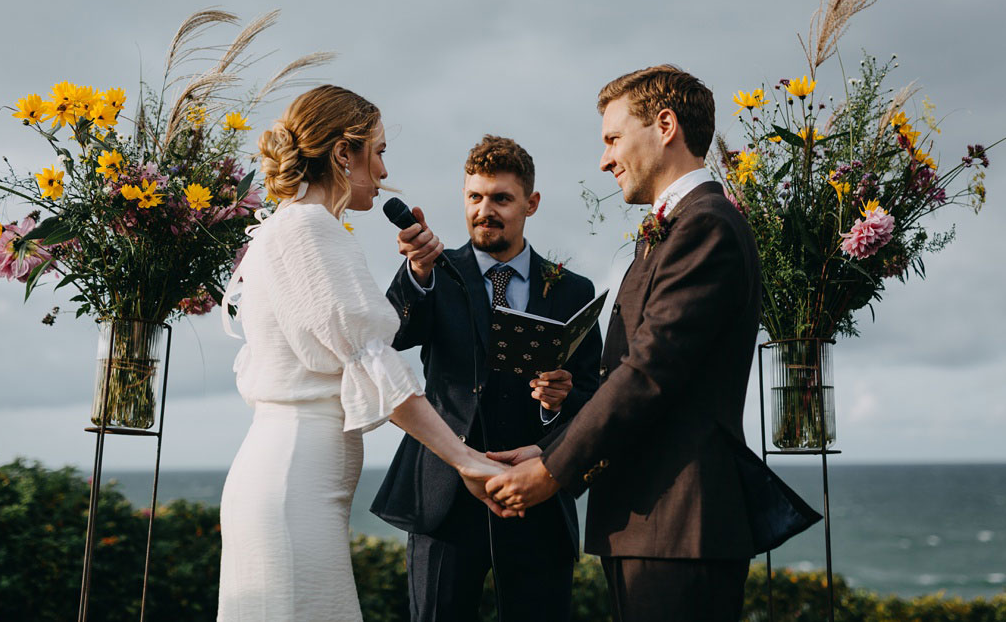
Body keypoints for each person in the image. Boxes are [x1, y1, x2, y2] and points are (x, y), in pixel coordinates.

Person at [217, 85, 511, 621]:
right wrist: (466, 459)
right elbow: (373, 363)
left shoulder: (291, 226)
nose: (382, 171)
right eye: (376, 150)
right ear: (342, 154)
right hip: (293, 484)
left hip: (290, 479)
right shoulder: (311, 229)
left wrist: (419, 272)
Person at [486, 65, 763, 621]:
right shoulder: (673, 227)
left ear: (665, 126)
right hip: (649, 521)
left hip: (680, 520)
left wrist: (551, 471)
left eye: (613, 138)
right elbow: (625, 377)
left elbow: (648, 374)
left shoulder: (704, 225)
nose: (605, 159)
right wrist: (548, 445)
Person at [371, 135, 603, 621]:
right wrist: (416, 270)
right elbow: (391, 334)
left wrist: (555, 404)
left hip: (535, 497)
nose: (485, 210)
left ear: (531, 203)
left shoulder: (572, 290)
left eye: (501, 198)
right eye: (475, 197)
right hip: (445, 495)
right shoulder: (435, 271)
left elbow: (593, 399)